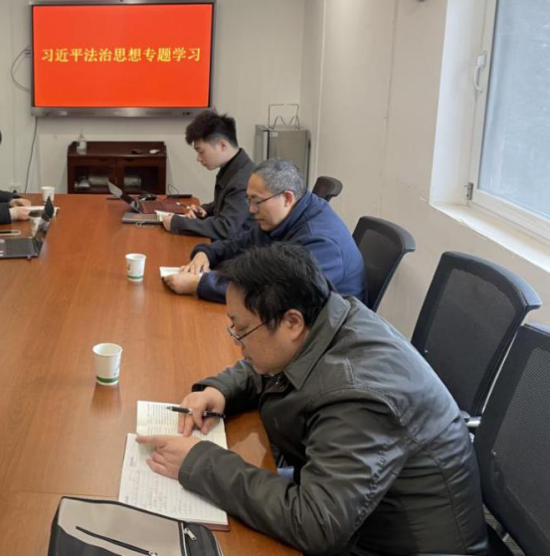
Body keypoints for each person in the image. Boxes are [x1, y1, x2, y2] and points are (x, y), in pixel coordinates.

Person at [139, 244, 487, 556]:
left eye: (242, 330)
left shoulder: (359, 398)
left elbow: (317, 524)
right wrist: (219, 390)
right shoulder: (328, 317)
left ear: (291, 322)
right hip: (359, 511)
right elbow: (278, 362)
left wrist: (199, 462)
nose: (237, 341)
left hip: (398, 543)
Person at [165, 158, 366, 304]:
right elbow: (239, 243)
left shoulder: (320, 241)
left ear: (287, 198)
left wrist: (200, 284)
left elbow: (277, 295)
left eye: (257, 201)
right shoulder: (284, 217)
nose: (251, 210)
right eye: (249, 200)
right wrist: (206, 253)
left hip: (326, 336)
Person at [159, 110, 254, 239]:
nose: (198, 158)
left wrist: (177, 223)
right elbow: (227, 203)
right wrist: (206, 210)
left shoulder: (242, 181)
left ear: (222, 145)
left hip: (239, 248)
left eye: (201, 151)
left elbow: (226, 227)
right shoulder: (235, 166)